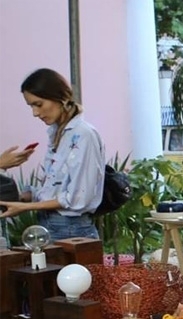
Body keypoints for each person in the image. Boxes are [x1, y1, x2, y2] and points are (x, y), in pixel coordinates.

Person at [0, 68, 105, 240]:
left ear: (60, 98)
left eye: (38, 104)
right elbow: (58, 189)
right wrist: (25, 197)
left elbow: (79, 197)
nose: (35, 113)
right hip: (50, 225)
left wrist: (25, 207)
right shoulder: (58, 133)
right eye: (31, 106)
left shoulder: (84, 135)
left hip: (71, 229)